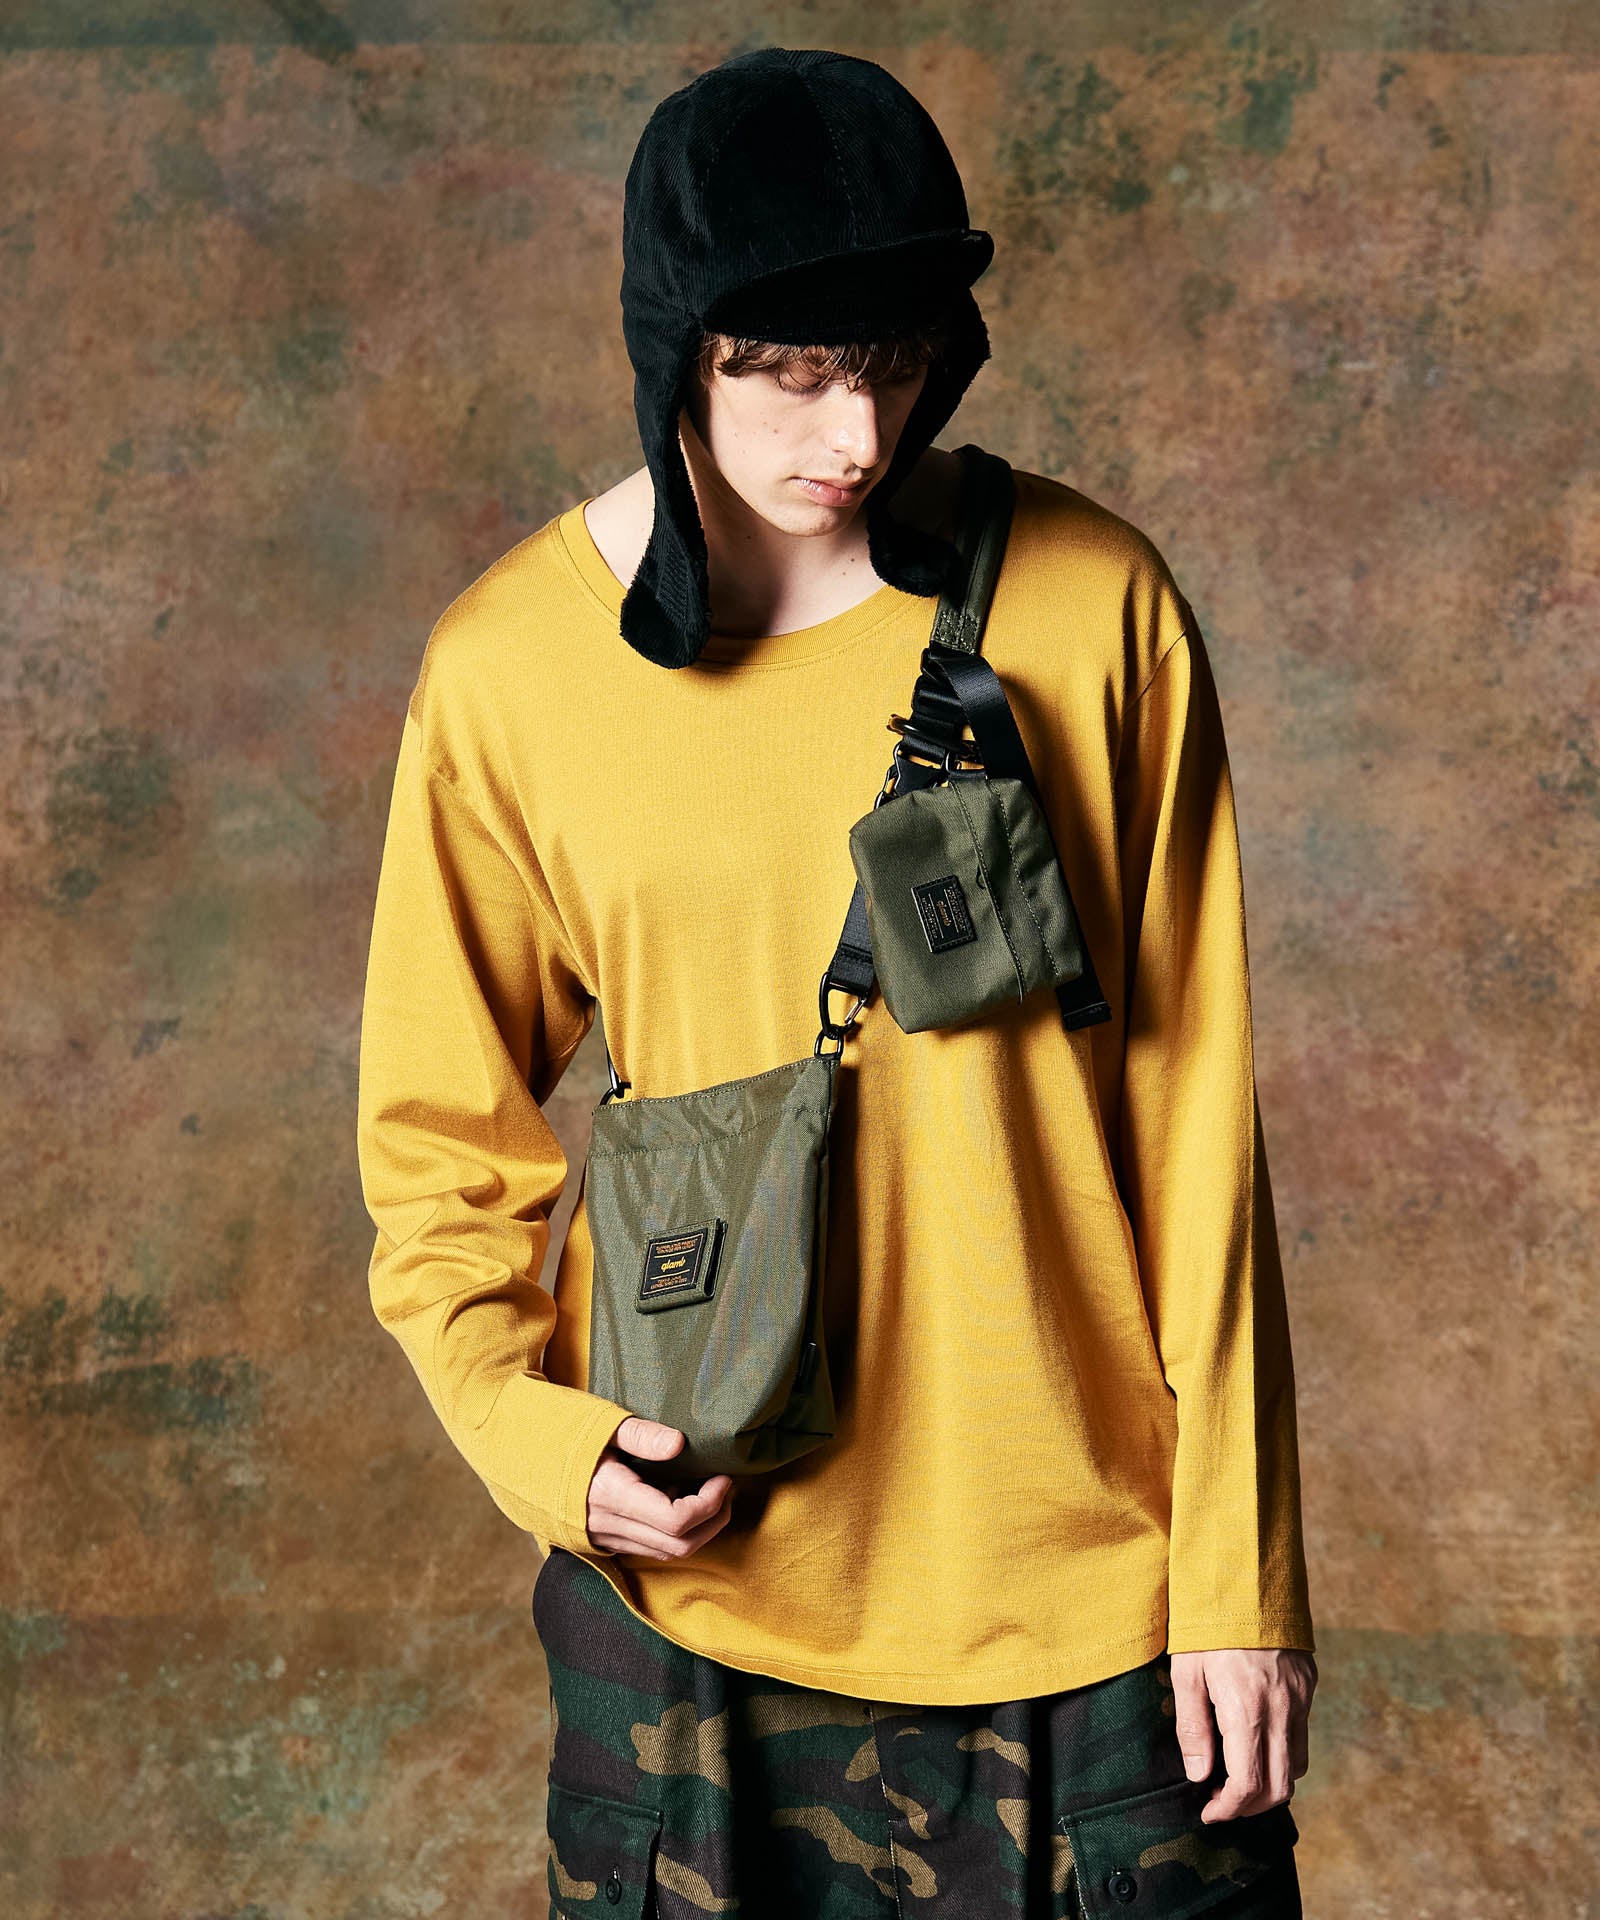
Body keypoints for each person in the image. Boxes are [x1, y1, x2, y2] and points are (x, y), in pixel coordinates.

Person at [356, 45, 1317, 1919]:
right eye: (786, 373)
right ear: (674, 354)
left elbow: (1197, 1124)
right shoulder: (511, 672)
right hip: (693, 1607)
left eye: (888, 363)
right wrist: (539, 1443)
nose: (853, 430)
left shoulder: (1093, 604)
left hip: (1103, 1613)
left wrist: (1239, 1575)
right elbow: (434, 1141)